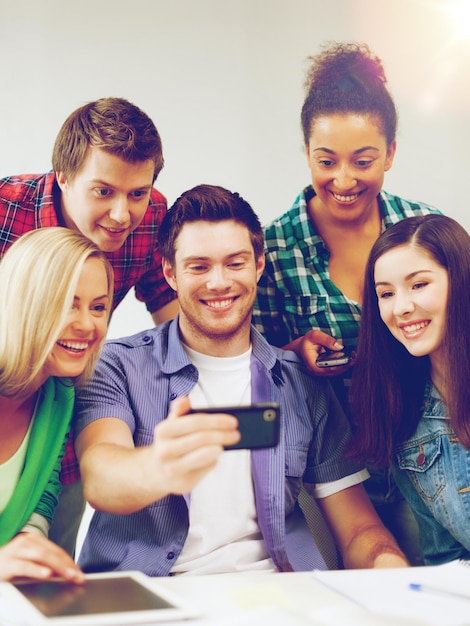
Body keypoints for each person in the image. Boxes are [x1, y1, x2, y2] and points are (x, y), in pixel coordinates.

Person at [74, 184, 408, 575]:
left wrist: (390, 568)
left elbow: (358, 531)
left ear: (259, 266)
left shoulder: (302, 383)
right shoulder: (116, 365)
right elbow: (101, 478)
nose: (219, 282)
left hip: (279, 598)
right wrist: (159, 467)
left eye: (235, 263)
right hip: (153, 598)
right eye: (199, 266)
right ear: (170, 273)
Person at [252, 42, 441, 564]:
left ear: (391, 153)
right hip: (334, 470)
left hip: (426, 452)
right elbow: (256, 372)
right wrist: (295, 352)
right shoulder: (275, 248)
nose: (343, 180)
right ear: (306, 152)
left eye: (364, 161)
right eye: (326, 160)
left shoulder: (424, 230)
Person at [0, 97, 178, 555]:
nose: (122, 214)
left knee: (40, 559)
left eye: (137, 193)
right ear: (62, 175)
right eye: (104, 192)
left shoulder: (151, 218)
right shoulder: (5, 210)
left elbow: (175, 317)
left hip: (52, 425)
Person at [350, 214, 470, 566]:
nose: (400, 307)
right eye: (386, 293)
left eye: (418, 285)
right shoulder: (405, 420)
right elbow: (446, 561)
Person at [0, 227, 113, 581]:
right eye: (67, 304)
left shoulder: (58, 396)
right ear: (24, 303)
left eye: (98, 307)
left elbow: (41, 495)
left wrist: (30, 547)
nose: (87, 325)